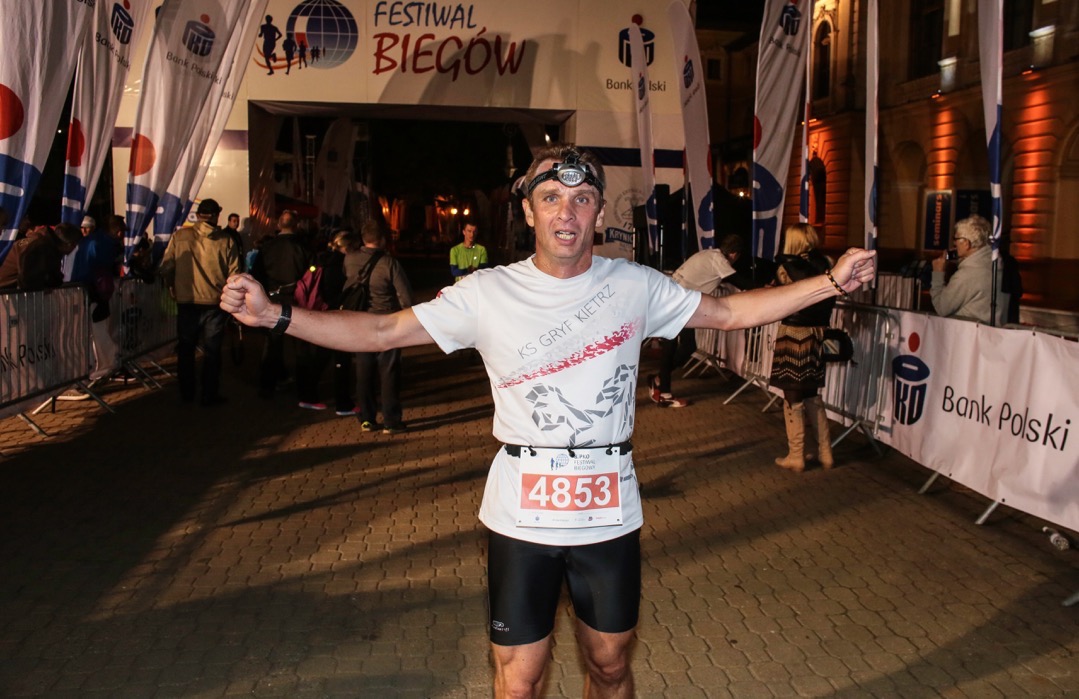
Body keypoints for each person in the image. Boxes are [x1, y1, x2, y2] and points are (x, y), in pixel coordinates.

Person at [221, 144, 876, 698]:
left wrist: (832, 283)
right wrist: (275, 315)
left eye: (582, 199)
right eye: (552, 198)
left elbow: (730, 314)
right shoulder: (488, 292)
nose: (567, 212)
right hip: (520, 513)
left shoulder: (635, 286)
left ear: (598, 211)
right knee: (519, 681)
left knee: (610, 664)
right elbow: (381, 330)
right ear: (529, 210)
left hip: (607, 508)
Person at [768, 223, 838, 473]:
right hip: (818, 333)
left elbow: (782, 299)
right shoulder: (827, 263)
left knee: (792, 393)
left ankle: (796, 455)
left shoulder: (786, 268)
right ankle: (826, 453)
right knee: (812, 392)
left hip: (794, 332)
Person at [647, 233, 743, 408]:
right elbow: (739, 280)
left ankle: (659, 380)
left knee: (686, 346)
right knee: (671, 347)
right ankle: (664, 393)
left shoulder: (710, 254)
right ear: (734, 254)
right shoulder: (720, 261)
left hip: (673, 300)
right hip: (675, 304)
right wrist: (764, 288)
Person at [159, 198, 240, 406]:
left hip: (187, 301)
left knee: (186, 350)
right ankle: (209, 394)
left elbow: (166, 267)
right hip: (214, 302)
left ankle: (187, 393)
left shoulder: (180, 237)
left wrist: (172, 286)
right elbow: (234, 274)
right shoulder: (226, 240)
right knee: (212, 351)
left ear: (198, 215)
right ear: (216, 216)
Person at [346, 220, 413, 433]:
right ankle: (391, 421)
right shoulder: (389, 263)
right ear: (382, 239)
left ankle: (366, 418)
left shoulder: (350, 259)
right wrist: (409, 316)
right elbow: (405, 295)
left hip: (360, 322)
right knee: (389, 372)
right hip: (387, 322)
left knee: (363, 372)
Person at [252, 211, 311, 400]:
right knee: (301, 342)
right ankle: (305, 389)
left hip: (274, 298)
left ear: (278, 225)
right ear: (296, 225)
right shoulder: (303, 247)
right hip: (297, 298)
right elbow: (312, 272)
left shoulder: (267, 247)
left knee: (273, 342)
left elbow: (257, 274)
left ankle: (267, 385)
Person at [930, 214, 1009, 325]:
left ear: (966, 243)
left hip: (966, 332)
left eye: (956, 239)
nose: (954, 243)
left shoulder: (966, 275)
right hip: (990, 331)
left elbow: (941, 307)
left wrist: (937, 274)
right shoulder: (995, 265)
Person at [17, 223, 81, 291]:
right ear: (69, 244)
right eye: (75, 245)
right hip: (12, 290)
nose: (74, 248)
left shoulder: (52, 248)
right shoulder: (42, 249)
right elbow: (29, 279)